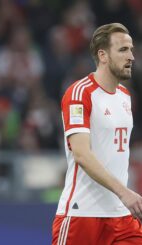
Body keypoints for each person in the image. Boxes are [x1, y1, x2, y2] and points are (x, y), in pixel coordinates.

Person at [52, 23, 142, 244]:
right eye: (123, 50)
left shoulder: (125, 96)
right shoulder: (79, 93)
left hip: (121, 217)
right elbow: (82, 155)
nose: (131, 56)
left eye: (131, 49)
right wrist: (124, 192)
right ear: (103, 55)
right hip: (81, 214)